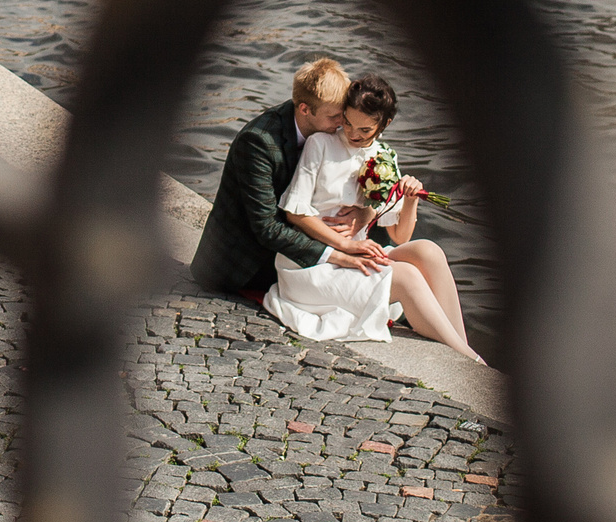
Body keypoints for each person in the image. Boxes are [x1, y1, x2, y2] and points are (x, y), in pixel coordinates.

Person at [262, 75, 482, 363]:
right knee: (406, 276)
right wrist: (347, 245)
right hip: (315, 264)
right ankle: (471, 359)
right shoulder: (321, 145)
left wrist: (410, 200)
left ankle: (460, 345)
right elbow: (295, 213)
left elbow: (399, 237)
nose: (353, 133)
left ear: (384, 124)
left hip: (358, 254)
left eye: (365, 129)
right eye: (349, 123)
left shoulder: (384, 157)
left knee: (428, 251)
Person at [190, 57, 354, 296]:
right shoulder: (258, 142)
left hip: (294, 240)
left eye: (343, 116)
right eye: (334, 117)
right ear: (305, 109)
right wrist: (336, 254)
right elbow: (267, 228)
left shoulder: (327, 131)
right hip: (244, 263)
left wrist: (362, 213)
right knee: (352, 279)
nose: (342, 125)